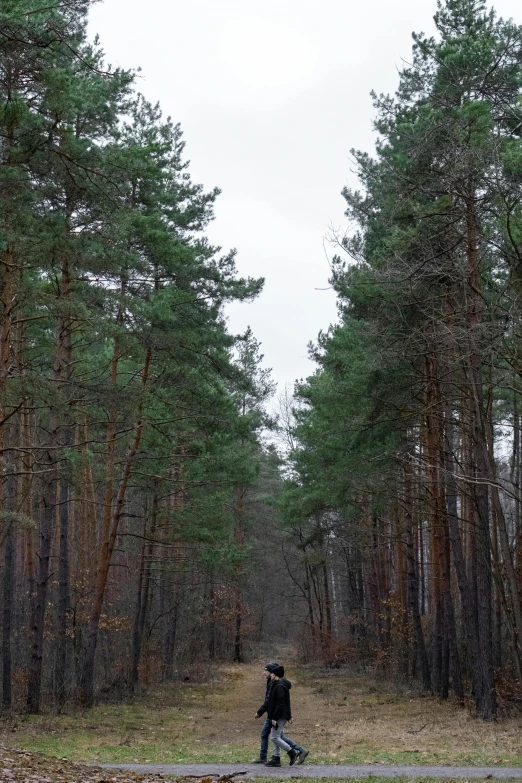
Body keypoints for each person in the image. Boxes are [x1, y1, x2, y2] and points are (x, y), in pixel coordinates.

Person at [253, 663, 308, 766]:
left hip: (278, 716)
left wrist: (274, 717)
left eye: (272, 673)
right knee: (277, 736)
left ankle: (292, 751)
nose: (267, 674)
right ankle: (276, 758)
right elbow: (278, 702)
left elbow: (280, 703)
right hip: (276, 715)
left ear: (275, 674)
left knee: (274, 737)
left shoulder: (279, 686)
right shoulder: (276, 684)